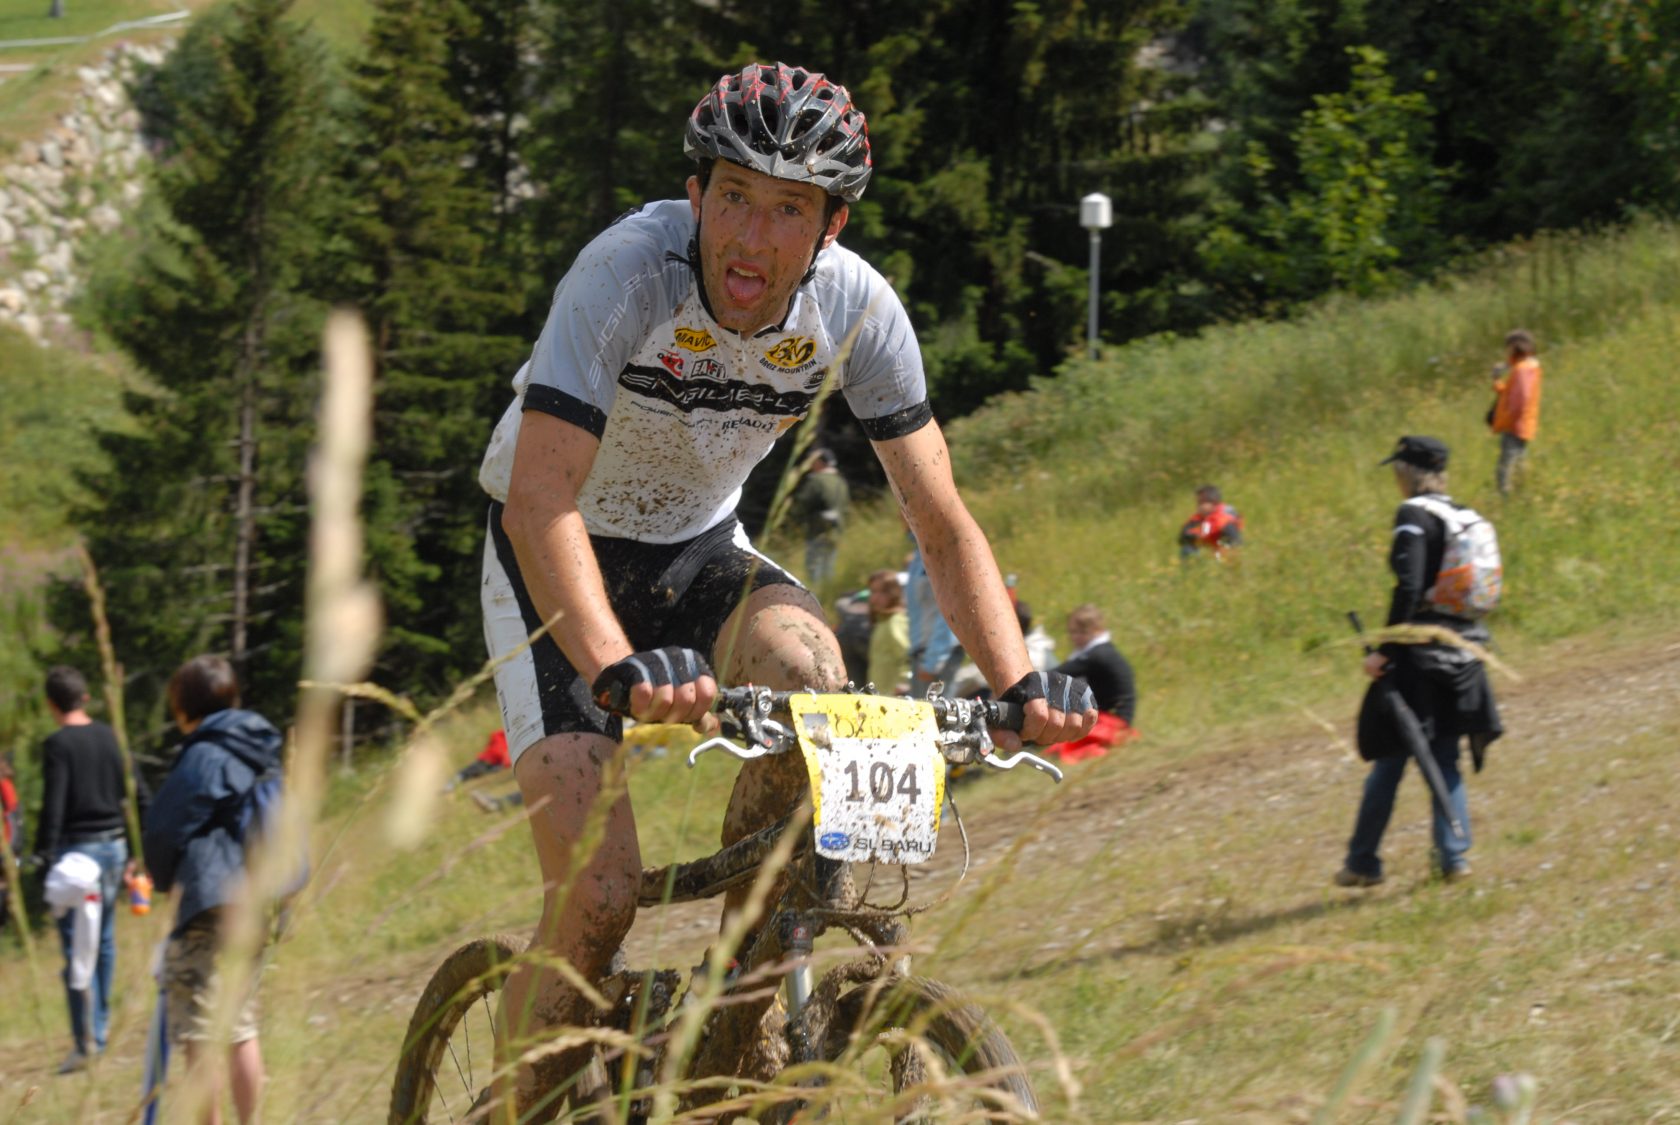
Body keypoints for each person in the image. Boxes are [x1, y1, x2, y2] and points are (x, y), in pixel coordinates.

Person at [474, 61, 1095, 1118]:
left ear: (831, 227)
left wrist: (1019, 683)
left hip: (700, 549)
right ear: (695, 195)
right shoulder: (624, 272)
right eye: (733, 198)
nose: (751, 238)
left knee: (817, 679)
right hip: (556, 556)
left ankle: (736, 1020)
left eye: (788, 210)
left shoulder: (858, 307)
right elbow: (540, 501)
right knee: (599, 897)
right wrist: (616, 666)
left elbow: (940, 519)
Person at [1335, 436, 1503, 888]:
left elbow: (1408, 587)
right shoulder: (1465, 516)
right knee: (1444, 756)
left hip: (1421, 657)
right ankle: (1453, 858)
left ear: (1407, 472)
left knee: (1390, 756)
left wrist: (1385, 649)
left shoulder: (1413, 516)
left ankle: (1363, 862)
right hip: (1465, 650)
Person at [143, 655, 279, 1125]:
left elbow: (163, 829)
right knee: (240, 1025)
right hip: (256, 900)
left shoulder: (204, 753)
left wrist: (163, 880)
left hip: (208, 903)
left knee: (202, 1034)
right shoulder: (259, 744)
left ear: (184, 706)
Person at [33, 664, 143, 1075]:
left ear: (51, 704)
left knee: (77, 948)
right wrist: (138, 851)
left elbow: (55, 805)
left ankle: (87, 1042)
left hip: (78, 858)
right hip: (115, 849)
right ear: (85, 698)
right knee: (105, 940)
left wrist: (44, 858)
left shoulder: (58, 744)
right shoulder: (111, 736)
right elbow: (137, 792)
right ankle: (101, 1027)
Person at [1043, 605, 1139, 762]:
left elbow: (1057, 674)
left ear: (1096, 630)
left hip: (1113, 720)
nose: (1075, 637)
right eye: (1072, 632)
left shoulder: (1096, 655)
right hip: (1116, 717)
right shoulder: (1103, 650)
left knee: (1061, 747)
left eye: (1081, 632)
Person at [905, 536, 964, 698]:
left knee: (934, 711)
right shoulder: (919, 554)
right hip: (921, 653)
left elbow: (949, 610)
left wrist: (933, 661)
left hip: (935, 656)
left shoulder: (941, 551)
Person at [1488, 329, 1543, 495]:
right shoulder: (1525, 367)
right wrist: (1497, 380)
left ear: (1515, 346)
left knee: (1505, 468)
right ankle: (1522, 496)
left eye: (1509, 347)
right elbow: (1510, 394)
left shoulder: (1523, 369)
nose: (1507, 351)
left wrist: (1509, 416)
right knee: (1519, 464)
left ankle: (1506, 499)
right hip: (1521, 423)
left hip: (1515, 425)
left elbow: (1521, 398)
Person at [790, 447, 850, 585]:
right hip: (836, 531)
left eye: (813, 460)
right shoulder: (840, 481)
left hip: (817, 531)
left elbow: (801, 504)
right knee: (829, 567)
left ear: (819, 462)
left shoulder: (816, 481)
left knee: (814, 569)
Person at [864, 568, 911, 695]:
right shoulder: (882, 622)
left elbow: (906, 657)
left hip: (893, 696)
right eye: (873, 592)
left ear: (894, 593)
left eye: (882, 592)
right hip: (880, 693)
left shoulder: (895, 621)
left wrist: (904, 682)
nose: (875, 598)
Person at [1178, 484, 1244, 561]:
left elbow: (1236, 542)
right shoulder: (1198, 518)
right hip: (1207, 554)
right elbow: (1182, 537)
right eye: (1198, 503)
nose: (1198, 506)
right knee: (1187, 549)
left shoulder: (1224, 520)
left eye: (1201, 503)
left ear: (1213, 503)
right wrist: (1196, 537)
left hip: (1222, 556)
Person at [445, 728, 510, 791]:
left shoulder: (509, 741)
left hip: (497, 764)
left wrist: (504, 764)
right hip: (486, 759)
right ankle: (451, 784)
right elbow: (495, 734)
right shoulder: (501, 735)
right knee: (469, 772)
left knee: (474, 774)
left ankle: (453, 785)